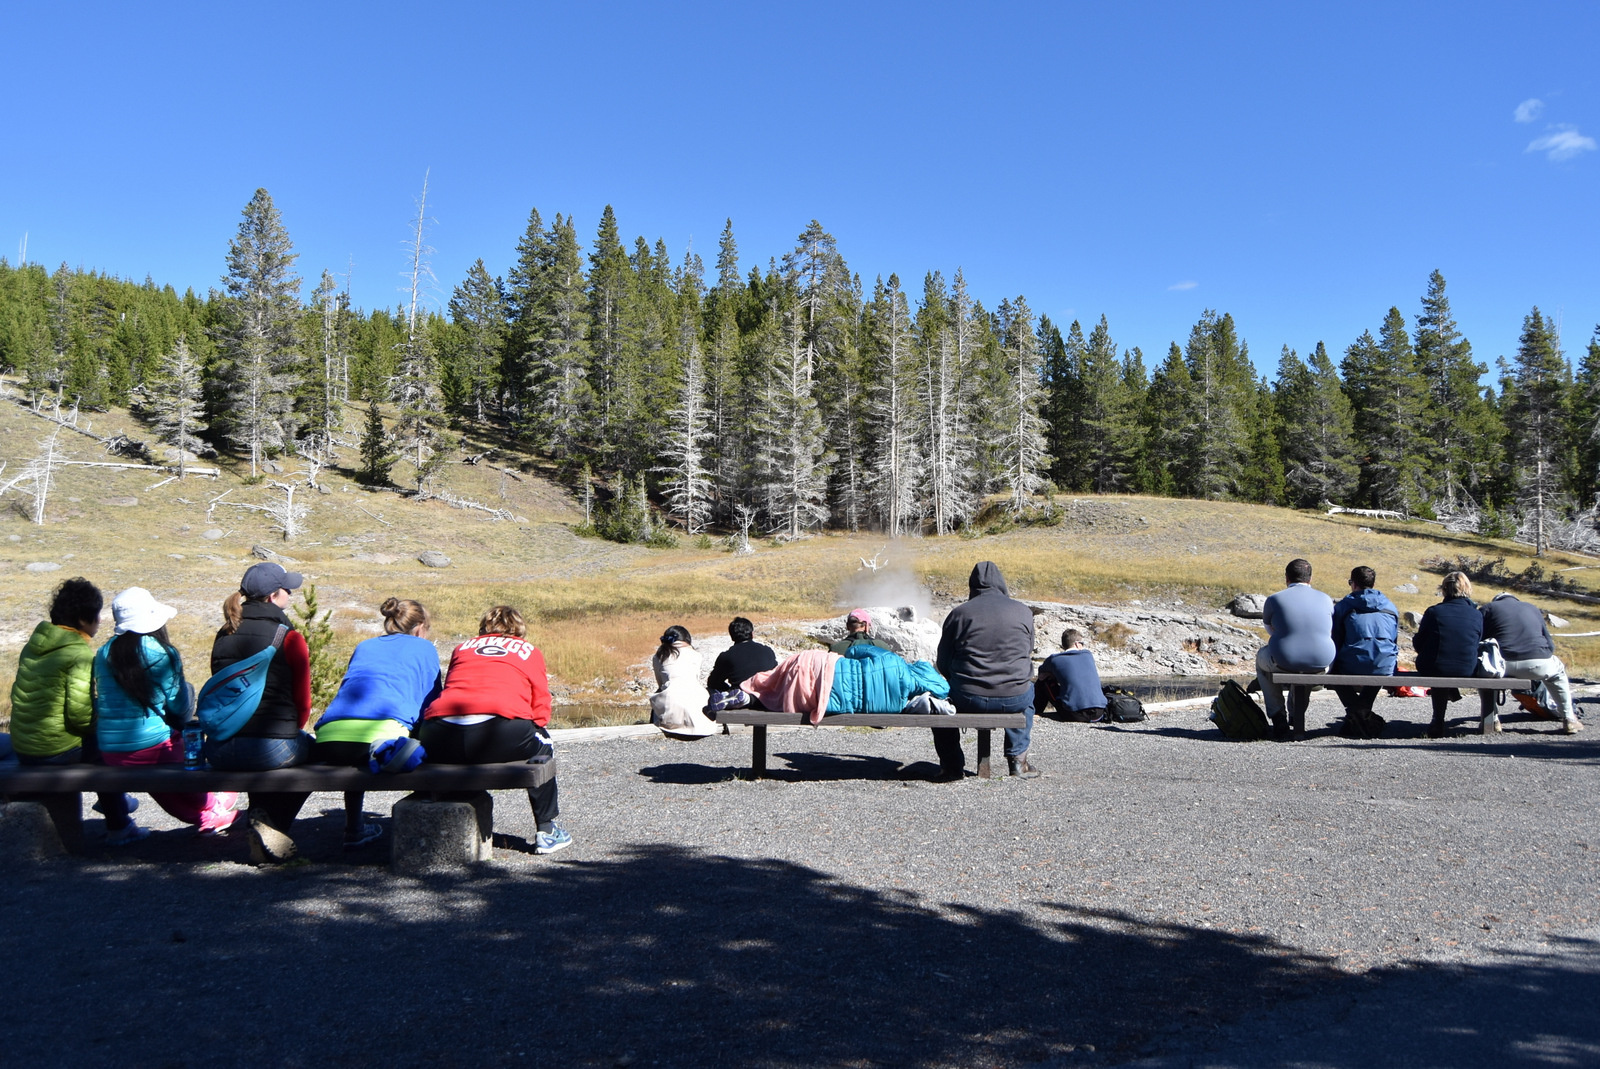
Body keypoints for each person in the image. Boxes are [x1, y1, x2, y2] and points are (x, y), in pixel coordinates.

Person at [417, 606, 571, 854]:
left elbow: (453, 686)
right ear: (518, 629)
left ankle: (434, 804)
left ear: (484, 628)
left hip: (440, 731)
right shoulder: (529, 651)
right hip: (498, 731)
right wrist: (535, 725)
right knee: (543, 743)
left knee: (455, 746)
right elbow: (541, 702)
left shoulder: (462, 647)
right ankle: (547, 830)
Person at [94, 587, 240, 835]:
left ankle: (206, 812)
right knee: (178, 743)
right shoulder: (163, 653)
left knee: (158, 778)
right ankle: (210, 806)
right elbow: (180, 707)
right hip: (153, 748)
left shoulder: (103, 652)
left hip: (110, 750)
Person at [10, 577, 142, 844]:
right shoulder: (78, 653)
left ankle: (117, 801)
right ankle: (119, 824)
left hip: (24, 747)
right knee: (105, 749)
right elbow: (80, 717)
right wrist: (104, 720)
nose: (100, 622)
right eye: (96, 615)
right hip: (53, 750)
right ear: (83, 620)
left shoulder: (34, 645)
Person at [311, 598, 442, 848]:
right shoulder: (424, 649)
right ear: (420, 627)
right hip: (382, 741)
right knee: (420, 741)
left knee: (357, 749)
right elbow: (431, 702)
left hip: (329, 738)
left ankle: (354, 827)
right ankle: (427, 829)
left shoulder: (365, 645)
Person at [206, 562, 314, 864]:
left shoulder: (224, 632)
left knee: (264, 754)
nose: (290, 595)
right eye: (287, 590)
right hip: (272, 746)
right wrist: (290, 730)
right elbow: (303, 704)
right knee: (314, 754)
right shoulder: (288, 636)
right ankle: (272, 824)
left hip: (220, 748)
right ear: (272, 596)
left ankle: (260, 819)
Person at [933, 561, 1039, 780]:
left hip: (967, 696)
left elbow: (942, 661)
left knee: (939, 704)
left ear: (972, 585)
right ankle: (1018, 761)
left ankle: (952, 767)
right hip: (1014, 697)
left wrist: (959, 680)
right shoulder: (1023, 611)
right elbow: (1026, 651)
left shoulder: (959, 614)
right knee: (1026, 697)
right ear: (1001, 583)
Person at [709, 642, 949, 721]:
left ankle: (743, 692)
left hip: (824, 666)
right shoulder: (895, 706)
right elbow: (944, 689)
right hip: (826, 700)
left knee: (772, 680)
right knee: (780, 700)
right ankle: (749, 699)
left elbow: (855, 651)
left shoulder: (893, 661)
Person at [1479, 590, 1583, 735]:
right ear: (1515, 599)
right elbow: (1549, 644)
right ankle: (1569, 718)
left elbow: (1481, 639)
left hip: (1503, 664)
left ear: (1497, 600)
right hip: (1537, 663)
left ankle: (1494, 720)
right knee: (1558, 672)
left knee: (1484, 675)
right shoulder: (1532, 607)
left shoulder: (1488, 608)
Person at [1255, 558, 1336, 738]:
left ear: (1287, 578)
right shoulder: (1326, 599)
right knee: (1307, 667)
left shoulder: (1274, 599)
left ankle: (1278, 715)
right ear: (1310, 578)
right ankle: (1295, 713)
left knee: (1262, 661)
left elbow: (1271, 630)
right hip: (1322, 661)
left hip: (1284, 659)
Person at [1329, 566, 1399, 738]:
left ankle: (1357, 714)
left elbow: (1336, 640)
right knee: (1378, 663)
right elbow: (1394, 638)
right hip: (1385, 663)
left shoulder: (1344, 606)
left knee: (1335, 670)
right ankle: (1362, 714)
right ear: (1373, 584)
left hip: (1353, 663)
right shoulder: (1390, 606)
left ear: (1353, 584)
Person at [1413, 571, 1483, 738]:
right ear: (1467, 589)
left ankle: (1438, 719)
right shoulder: (1477, 614)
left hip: (1436, 666)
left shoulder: (1434, 612)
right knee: (1448, 663)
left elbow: (1419, 643)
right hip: (1467, 667)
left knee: (1440, 665)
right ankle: (1453, 697)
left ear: (1444, 589)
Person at [649, 625, 716, 738]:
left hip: (670, 703)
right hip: (698, 705)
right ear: (687, 639)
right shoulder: (696, 655)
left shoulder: (658, 657)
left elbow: (660, 684)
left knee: (659, 694)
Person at [1035, 629, 1108, 722]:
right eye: (1082, 643)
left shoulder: (1054, 659)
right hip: (1099, 713)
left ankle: (1035, 711)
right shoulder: (1088, 655)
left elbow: (1041, 676)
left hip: (1074, 715)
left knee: (1044, 681)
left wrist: (1053, 674)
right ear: (1077, 644)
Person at [706, 617, 778, 693]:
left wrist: (727, 689)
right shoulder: (768, 651)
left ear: (732, 637)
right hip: (767, 697)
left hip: (741, 698)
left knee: (710, 690)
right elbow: (775, 675)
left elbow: (713, 683)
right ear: (752, 634)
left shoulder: (727, 656)